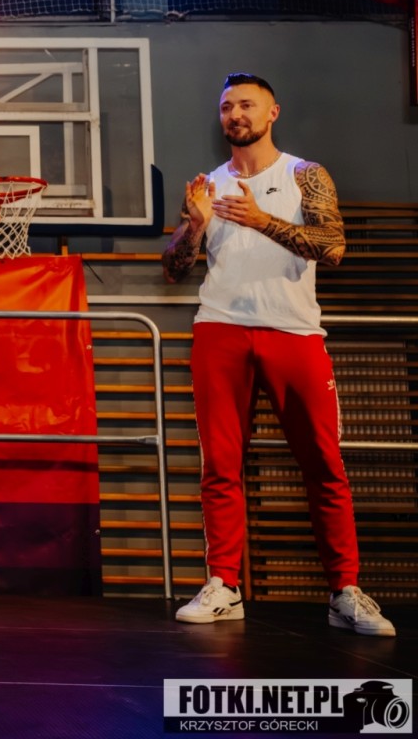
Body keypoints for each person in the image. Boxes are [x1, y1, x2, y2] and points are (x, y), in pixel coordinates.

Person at [162, 72, 395, 637]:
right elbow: (173, 269)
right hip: (221, 329)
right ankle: (224, 585)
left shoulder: (304, 174)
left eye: (247, 104)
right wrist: (195, 227)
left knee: (325, 465)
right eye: (226, 107)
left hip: (293, 330)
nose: (235, 114)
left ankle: (344, 592)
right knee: (220, 466)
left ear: (272, 113)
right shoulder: (209, 184)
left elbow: (333, 248)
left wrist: (262, 220)